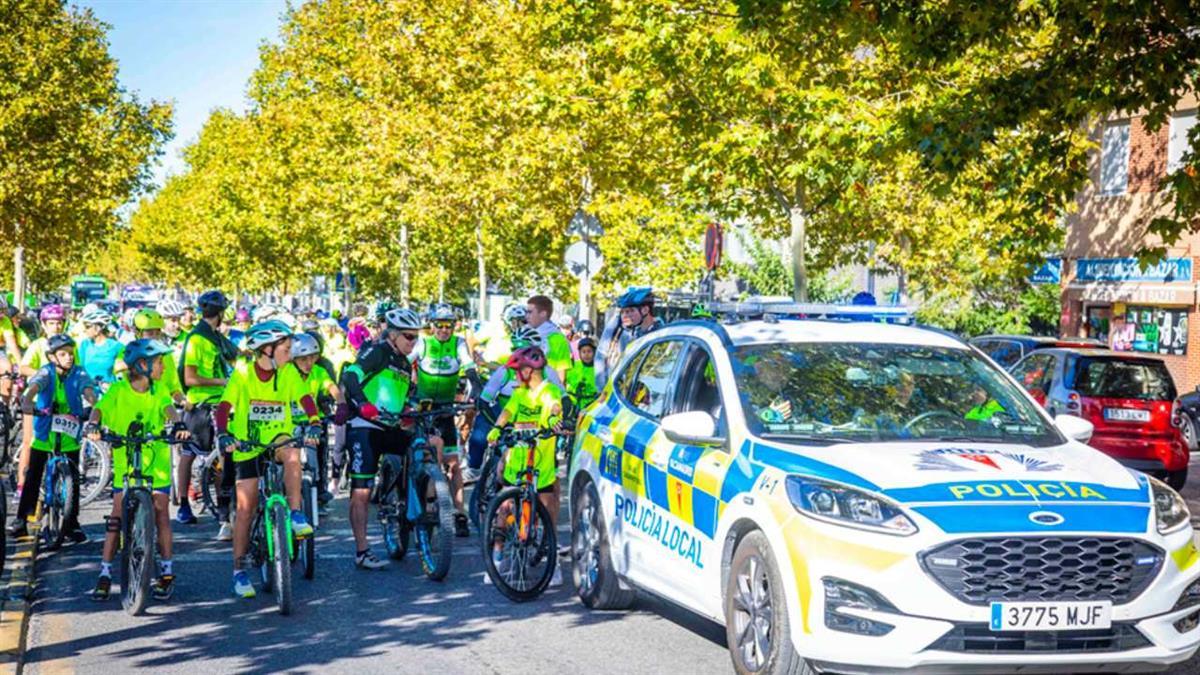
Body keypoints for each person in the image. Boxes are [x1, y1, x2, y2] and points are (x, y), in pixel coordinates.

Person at [217, 321, 321, 598]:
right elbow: (225, 406)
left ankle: (296, 513)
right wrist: (224, 433)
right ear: (267, 350)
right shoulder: (242, 373)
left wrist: (314, 422)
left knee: (292, 453)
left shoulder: (287, 372)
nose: (291, 354)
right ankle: (239, 571)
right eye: (286, 349)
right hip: (247, 443)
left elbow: (306, 398)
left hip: (278, 437)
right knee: (246, 509)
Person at [86, 339, 190, 602]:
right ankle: (105, 573)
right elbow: (99, 410)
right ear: (142, 366)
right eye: (159, 363)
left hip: (156, 466)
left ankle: (166, 573)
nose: (164, 367)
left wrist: (177, 424)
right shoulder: (119, 391)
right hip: (127, 464)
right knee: (117, 517)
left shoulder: (159, 391)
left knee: (161, 513)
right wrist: (93, 426)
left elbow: (169, 410)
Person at [339, 307, 423, 570]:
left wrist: (410, 407)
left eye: (416, 338)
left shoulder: (405, 362)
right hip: (365, 426)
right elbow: (350, 376)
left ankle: (421, 507)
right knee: (362, 491)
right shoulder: (377, 352)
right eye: (409, 337)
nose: (413, 342)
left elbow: (408, 393)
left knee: (425, 447)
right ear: (394, 335)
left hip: (391, 425)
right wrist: (362, 403)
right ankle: (362, 551)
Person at [485, 347, 565, 587]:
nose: (516, 376)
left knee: (548, 511)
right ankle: (497, 558)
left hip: (542, 461)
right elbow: (508, 411)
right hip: (517, 461)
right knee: (504, 509)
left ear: (529, 370)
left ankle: (554, 563)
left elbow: (554, 406)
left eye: (518, 372)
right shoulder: (520, 393)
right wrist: (498, 428)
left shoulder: (549, 391)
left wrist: (552, 419)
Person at [10, 334, 96, 540]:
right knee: (33, 474)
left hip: (69, 432)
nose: (68, 357)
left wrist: (93, 404)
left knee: (73, 477)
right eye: (63, 354)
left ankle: (72, 522)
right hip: (45, 431)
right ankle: (21, 519)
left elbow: (88, 389)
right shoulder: (46, 372)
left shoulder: (79, 372)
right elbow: (35, 386)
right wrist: (28, 401)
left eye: (70, 353)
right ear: (52, 357)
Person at [412, 305, 481, 537]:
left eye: (448, 325)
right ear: (432, 326)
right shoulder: (423, 343)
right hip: (423, 407)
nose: (443, 330)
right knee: (432, 456)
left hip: (446, 409)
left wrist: (477, 387)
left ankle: (459, 512)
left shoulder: (458, 343)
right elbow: (405, 361)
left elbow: (468, 366)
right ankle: (431, 505)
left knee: (453, 464)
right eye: (439, 325)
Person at [178, 290, 239, 535]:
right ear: (221, 313)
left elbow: (237, 357)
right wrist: (222, 382)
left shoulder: (217, 337)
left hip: (223, 404)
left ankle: (224, 511)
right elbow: (190, 377)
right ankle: (184, 503)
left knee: (223, 457)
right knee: (189, 454)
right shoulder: (196, 339)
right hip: (199, 405)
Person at [286, 332, 343, 506]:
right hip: (290, 424)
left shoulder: (319, 372)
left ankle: (319, 489)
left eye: (313, 358)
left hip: (314, 422)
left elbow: (332, 387)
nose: (309, 363)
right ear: (294, 359)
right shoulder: (286, 373)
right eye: (303, 359)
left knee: (319, 454)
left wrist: (341, 404)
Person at [525, 296, 572, 383]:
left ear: (543, 313)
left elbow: (561, 377)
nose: (526, 316)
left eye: (530, 312)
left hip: (546, 393)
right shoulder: (523, 335)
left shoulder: (558, 338)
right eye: (526, 312)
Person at [77, 307, 124, 386]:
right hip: (88, 391)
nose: (85, 330)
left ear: (98, 328)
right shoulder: (84, 345)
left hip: (109, 390)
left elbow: (123, 372)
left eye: (88, 327)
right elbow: (79, 368)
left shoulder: (116, 346)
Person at [20, 304, 68, 377]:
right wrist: (44, 375)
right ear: (43, 325)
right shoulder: (38, 344)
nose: (56, 327)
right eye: (51, 323)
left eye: (59, 323)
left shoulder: (69, 344)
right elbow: (23, 368)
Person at [564, 337, 601, 413]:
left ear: (594, 352)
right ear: (579, 353)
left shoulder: (598, 368)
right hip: (572, 405)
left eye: (589, 351)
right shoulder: (574, 366)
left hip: (590, 406)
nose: (586, 354)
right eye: (583, 352)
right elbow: (564, 380)